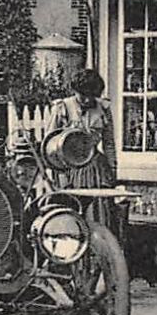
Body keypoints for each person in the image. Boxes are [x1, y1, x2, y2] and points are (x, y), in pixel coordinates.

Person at [48, 68, 117, 227]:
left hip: (95, 170)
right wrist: (59, 174)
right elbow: (50, 146)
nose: (87, 100)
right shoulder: (62, 108)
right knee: (71, 211)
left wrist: (113, 170)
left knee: (98, 211)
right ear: (75, 91)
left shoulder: (103, 109)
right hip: (69, 168)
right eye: (83, 95)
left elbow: (109, 143)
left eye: (91, 96)